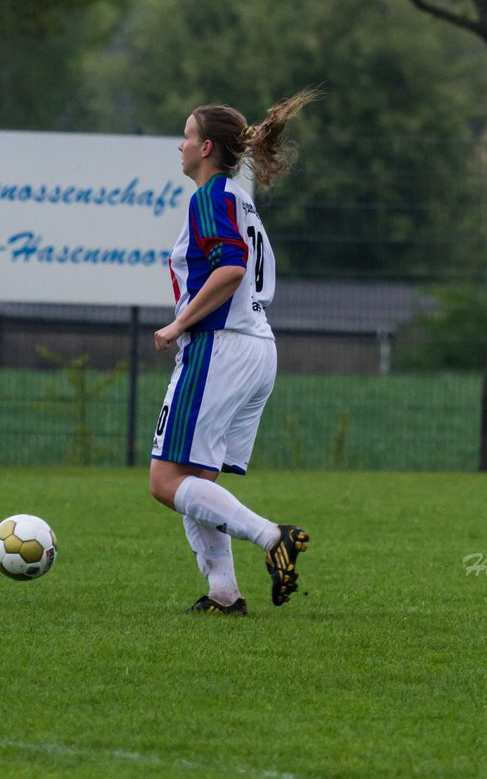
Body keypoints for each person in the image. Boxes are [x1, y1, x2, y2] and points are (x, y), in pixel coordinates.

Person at [149, 89, 320, 615]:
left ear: (206, 149)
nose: (180, 144)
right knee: (198, 479)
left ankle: (273, 538)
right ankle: (225, 594)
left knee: (165, 481)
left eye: (187, 135)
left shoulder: (210, 198)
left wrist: (178, 323)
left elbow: (231, 268)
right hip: (256, 347)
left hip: (220, 348)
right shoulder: (238, 197)